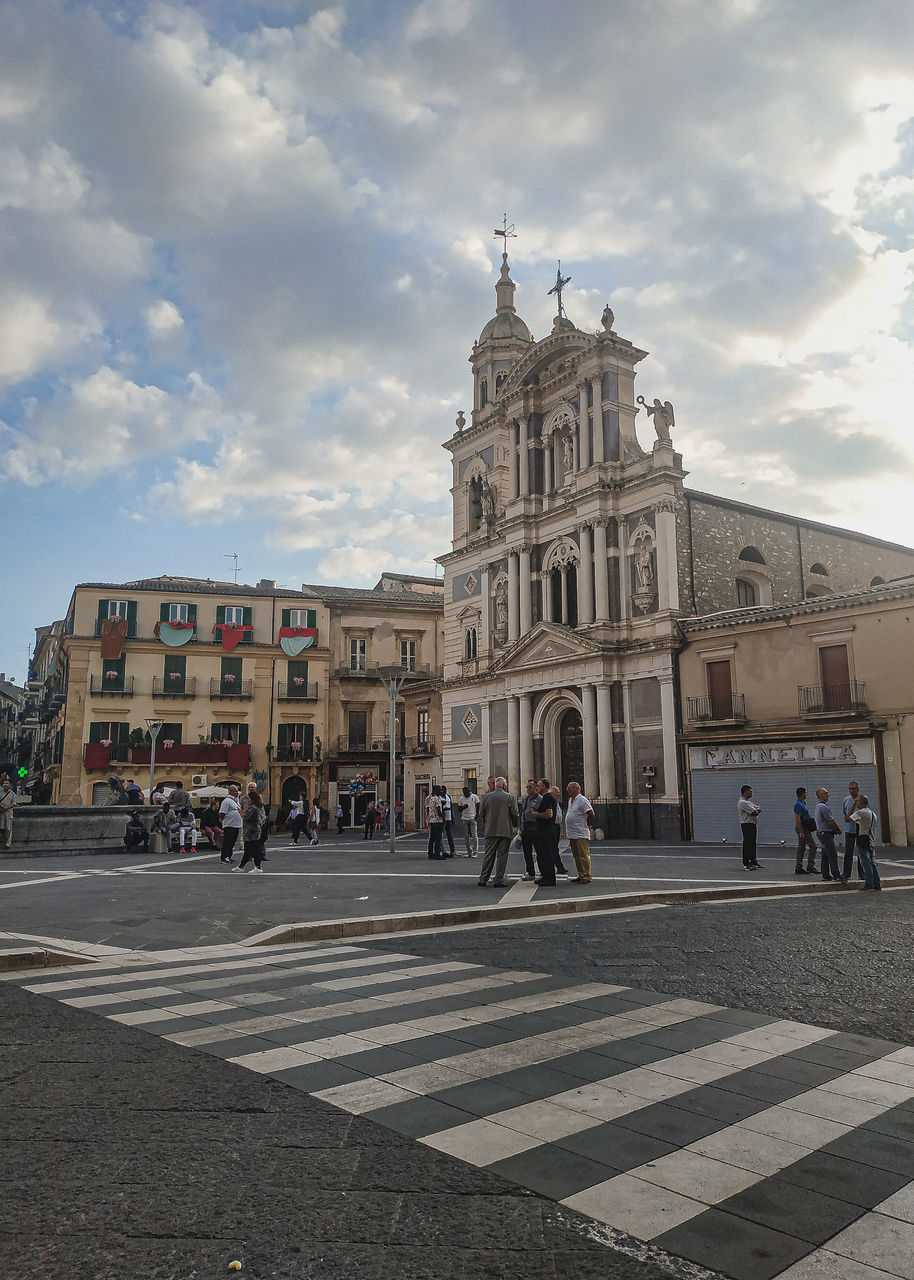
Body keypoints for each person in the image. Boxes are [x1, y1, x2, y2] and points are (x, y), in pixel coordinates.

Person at [477, 777, 519, 887]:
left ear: (495, 785)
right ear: (504, 785)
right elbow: (515, 814)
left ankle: (483, 878)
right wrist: (515, 826)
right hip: (505, 830)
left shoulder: (486, 797)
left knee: (488, 855)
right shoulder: (510, 797)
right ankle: (498, 879)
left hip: (490, 830)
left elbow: (481, 813)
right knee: (502, 856)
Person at [530, 779, 560, 886]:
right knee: (542, 855)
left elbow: (549, 814)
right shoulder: (547, 798)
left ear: (543, 786)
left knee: (547, 855)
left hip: (547, 830)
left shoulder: (547, 798)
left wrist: (536, 814)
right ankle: (545, 876)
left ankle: (549, 878)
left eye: (537, 786)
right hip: (545, 830)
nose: (536, 788)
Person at [565, 781, 595, 884]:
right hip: (572, 833)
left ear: (577, 789)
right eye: (568, 787)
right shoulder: (570, 800)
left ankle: (587, 876)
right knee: (576, 855)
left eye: (570, 787)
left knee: (583, 855)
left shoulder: (582, 800)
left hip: (581, 832)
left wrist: (589, 824)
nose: (568, 789)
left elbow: (590, 813)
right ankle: (581, 874)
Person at [814, 787, 844, 883]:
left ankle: (825, 874)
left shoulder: (819, 806)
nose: (828, 794)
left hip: (821, 832)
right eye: (826, 793)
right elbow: (831, 821)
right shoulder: (823, 807)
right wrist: (838, 829)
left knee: (825, 854)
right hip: (825, 833)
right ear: (820, 795)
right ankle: (836, 875)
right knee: (832, 854)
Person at [852, 794, 881, 891]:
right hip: (871, 840)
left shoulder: (861, 813)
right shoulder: (873, 813)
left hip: (863, 841)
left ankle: (869, 883)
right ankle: (877, 884)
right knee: (872, 863)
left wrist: (852, 807)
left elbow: (847, 819)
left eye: (858, 801)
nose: (857, 803)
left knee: (866, 863)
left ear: (862, 802)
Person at [235, 792, 266, 872]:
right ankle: (241, 867)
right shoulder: (258, 806)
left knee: (253, 850)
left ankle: (258, 867)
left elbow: (245, 817)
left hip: (251, 831)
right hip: (255, 830)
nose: (247, 800)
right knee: (249, 850)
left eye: (248, 798)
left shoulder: (252, 807)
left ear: (252, 799)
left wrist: (239, 811)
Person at [793, 786, 818, 874]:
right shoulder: (798, 804)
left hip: (805, 827)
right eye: (805, 793)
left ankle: (799, 866)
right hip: (803, 827)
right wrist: (801, 831)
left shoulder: (802, 803)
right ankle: (810, 866)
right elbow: (798, 819)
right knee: (813, 846)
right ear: (802, 794)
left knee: (802, 847)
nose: (806, 794)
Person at [737, 784, 762, 869]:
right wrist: (756, 810)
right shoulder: (742, 802)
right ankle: (746, 863)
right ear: (745, 792)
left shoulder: (748, 802)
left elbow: (758, 808)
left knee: (752, 843)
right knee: (747, 843)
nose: (751, 793)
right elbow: (754, 812)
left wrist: (757, 809)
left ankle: (753, 861)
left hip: (752, 823)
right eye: (750, 792)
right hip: (746, 824)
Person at [519, 779, 539, 881]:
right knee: (527, 852)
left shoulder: (540, 799)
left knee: (539, 851)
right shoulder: (526, 799)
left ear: (536, 788)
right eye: (526, 787)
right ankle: (530, 872)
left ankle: (542, 872)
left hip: (535, 827)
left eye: (529, 787)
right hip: (526, 827)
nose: (527, 789)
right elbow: (523, 813)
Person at [549, 787, 571, 878]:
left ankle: (559, 866)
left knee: (554, 848)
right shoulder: (551, 801)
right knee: (553, 848)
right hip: (552, 826)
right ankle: (559, 867)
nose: (559, 794)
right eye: (557, 792)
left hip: (556, 826)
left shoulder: (555, 802)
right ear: (553, 793)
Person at [842, 781, 862, 881]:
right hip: (849, 830)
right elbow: (845, 815)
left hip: (860, 830)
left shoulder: (862, 800)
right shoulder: (846, 800)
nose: (851, 791)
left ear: (857, 789)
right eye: (849, 789)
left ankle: (861, 873)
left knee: (861, 852)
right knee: (848, 852)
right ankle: (846, 873)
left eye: (853, 789)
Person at [219, 785, 243, 864]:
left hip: (236, 825)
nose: (237, 793)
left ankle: (229, 856)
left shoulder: (236, 801)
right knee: (228, 841)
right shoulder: (227, 801)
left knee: (233, 841)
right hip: (229, 825)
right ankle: (224, 857)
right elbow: (222, 812)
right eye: (235, 791)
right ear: (231, 792)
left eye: (237, 791)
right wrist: (222, 819)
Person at [457, 785, 478, 857]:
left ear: (469, 792)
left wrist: (477, 816)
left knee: (474, 836)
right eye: (464, 794)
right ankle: (469, 852)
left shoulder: (474, 797)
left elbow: (478, 805)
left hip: (472, 818)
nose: (466, 795)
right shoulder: (461, 798)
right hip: (465, 819)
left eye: (467, 793)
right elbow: (459, 809)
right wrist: (463, 807)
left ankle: (475, 852)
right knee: (466, 836)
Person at [425, 786, 445, 859]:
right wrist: (443, 818)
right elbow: (438, 810)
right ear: (436, 790)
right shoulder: (437, 799)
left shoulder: (431, 799)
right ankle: (437, 854)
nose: (441, 791)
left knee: (432, 838)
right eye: (440, 790)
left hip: (432, 821)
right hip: (437, 821)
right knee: (438, 839)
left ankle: (430, 854)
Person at [440, 787, 456, 857]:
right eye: (443, 790)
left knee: (450, 835)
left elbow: (451, 807)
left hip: (448, 818)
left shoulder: (448, 796)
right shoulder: (439, 798)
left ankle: (452, 850)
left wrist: (453, 818)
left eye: (445, 790)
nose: (444, 792)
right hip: (442, 819)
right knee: (441, 835)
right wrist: (444, 808)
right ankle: (442, 851)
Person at [0, 779, 14, 849]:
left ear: (10, 785)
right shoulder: (0, 792)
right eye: (4, 783)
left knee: (8, 829)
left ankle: (8, 844)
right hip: (1, 813)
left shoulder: (12, 794)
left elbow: (14, 804)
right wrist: (3, 807)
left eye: (7, 783)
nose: (5, 785)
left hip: (8, 814)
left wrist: (7, 808)